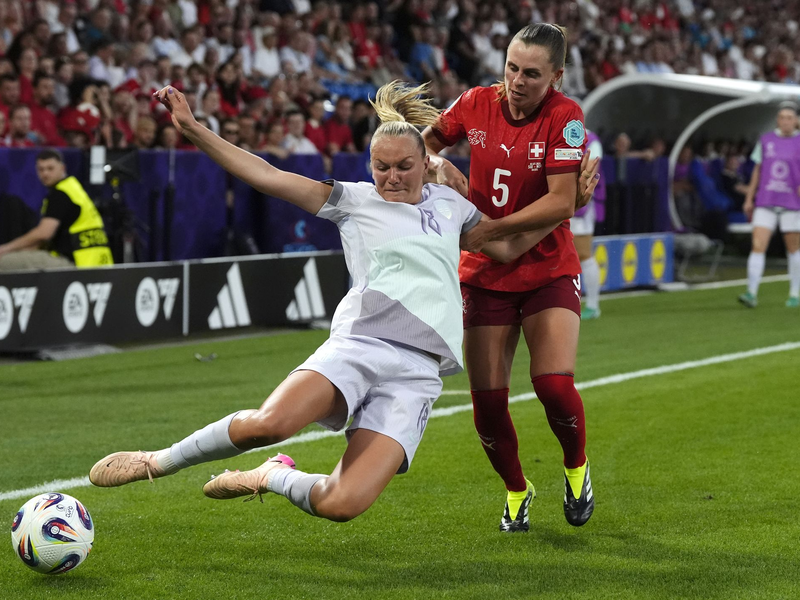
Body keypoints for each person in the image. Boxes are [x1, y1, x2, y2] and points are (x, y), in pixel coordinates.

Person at [88, 80, 599, 524]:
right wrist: (194, 129)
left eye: (404, 166)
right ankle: (159, 460)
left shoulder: (452, 205)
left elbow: (505, 248)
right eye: (381, 167)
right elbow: (267, 176)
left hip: (417, 375)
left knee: (342, 504)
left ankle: (271, 476)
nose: (392, 177)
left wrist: (566, 208)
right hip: (359, 346)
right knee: (271, 423)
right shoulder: (354, 200)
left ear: (427, 163)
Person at [421, 23, 598, 533]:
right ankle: (517, 490)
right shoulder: (475, 102)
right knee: (488, 405)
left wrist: (490, 228)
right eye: (512, 68)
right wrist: (436, 163)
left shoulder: (565, 116)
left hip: (547, 267)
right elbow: (421, 146)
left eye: (532, 74)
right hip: (483, 272)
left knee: (553, 385)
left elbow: (562, 201)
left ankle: (576, 467)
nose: (517, 81)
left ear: (556, 77)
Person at [0, 149, 113, 270]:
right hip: (97, 261)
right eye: (41, 169)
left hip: (76, 263)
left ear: (62, 168)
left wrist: (5, 249)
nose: (45, 174)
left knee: (5, 262)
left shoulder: (60, 194)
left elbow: (44, 233)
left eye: (50, 168)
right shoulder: (73, 188)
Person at [739, 101, 800, 308]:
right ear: (777, 120)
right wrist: (749, 197)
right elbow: (758, 170)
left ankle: (794, 293)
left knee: (793, 248)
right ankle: (751, 292)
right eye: (782, 117)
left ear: (796, 121)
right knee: (758, 244)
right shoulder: (766, 140)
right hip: (767, 199)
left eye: (789, 118)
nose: (785, 121)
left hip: (792, 202)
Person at [571, 129, 606, 320]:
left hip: (580, 204)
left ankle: (593, 305)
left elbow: (592, 171)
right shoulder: (556, 131)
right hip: (558, 200)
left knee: (583, 254)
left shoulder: (591, 139)